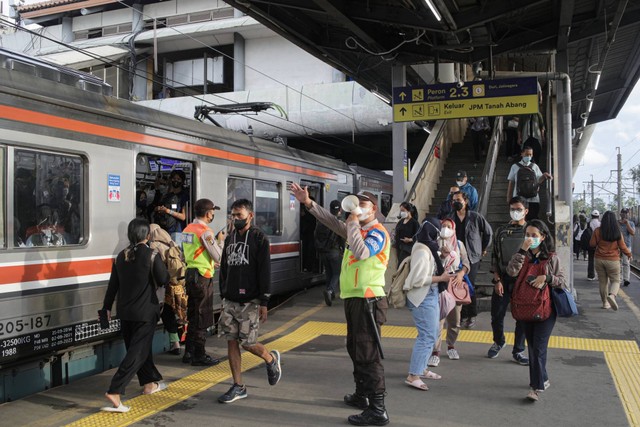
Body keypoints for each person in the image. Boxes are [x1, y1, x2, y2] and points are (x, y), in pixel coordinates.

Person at [290, 183, 390, 426]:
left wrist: (353, 222)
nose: (356, 209)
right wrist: (308, 203)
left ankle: (378, 409)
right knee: (354, 347)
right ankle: (362, 394)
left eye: (362, 204)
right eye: (354, 204)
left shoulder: (378, 233)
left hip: (369, 300)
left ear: (374, 209)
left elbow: (363, 252)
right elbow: (331, 222)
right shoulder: (355, 229)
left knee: (368, 353)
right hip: (354, 298)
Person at [101, 218, 170, 413]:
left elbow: (113, 286)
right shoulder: (152, 255)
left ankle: (149, 384)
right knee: (137, 353)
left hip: (125, 313)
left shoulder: (121, 256)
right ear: (147, 235)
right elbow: (164, 279)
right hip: (145, 312)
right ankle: (115, 390)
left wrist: (106, 307)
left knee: (141, 350)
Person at [217, 198, 282, 404]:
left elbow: (265, 271)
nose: (235, 219)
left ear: (250, 216)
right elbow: (224, 269)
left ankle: (270, 359)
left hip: (251, 301)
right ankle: (238, 386)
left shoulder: (259, 238)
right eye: (233, 215)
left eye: (239, 215)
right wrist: (223, 294)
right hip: (230, 299)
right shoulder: (229, 239)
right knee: (231, 341)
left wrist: (264, 301)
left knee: (248, 343)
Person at [506, 219, 566, 402]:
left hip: (546, 309)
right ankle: (543, 378)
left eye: (534, 235)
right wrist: (522, 251)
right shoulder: (521, 256)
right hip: (525, 307)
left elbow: (562, 281)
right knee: (533, 347)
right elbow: (511, 272)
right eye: (527, 235)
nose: (530, 238)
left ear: (543, 237)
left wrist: (547, 277)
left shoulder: (551, 258)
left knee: (538, 347)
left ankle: (535, 387)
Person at [403, 219, 451, 391]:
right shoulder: (423, 251)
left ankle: (421, 368)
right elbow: (417, 280)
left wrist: (443, 258)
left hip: (429, 295)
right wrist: (442, 279)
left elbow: (430, 269)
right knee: (427, 336)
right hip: (422, 297)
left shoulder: (426, 246)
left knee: (432, 333)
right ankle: (413, 375)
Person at [181, 198, 224, 366]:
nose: (213, 214)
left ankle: (189, 353)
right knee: (202, 316)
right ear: (208, 214)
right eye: (213, 212)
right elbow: (218, 256)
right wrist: (220, 240)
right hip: (202, 277)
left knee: (193, 315)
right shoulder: (205, 232)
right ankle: (199, 355)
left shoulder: (187, 229)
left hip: (190, 275)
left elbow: (186, 254)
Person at [487, 197, 529, 366]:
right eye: (512, 208)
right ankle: (499, 341)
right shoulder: (501, 231)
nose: (515, 212)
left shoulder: (532, 231)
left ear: (526, 211)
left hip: (524, 281)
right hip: (503, 279)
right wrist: (497, 279)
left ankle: (519, 350)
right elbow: (495, 256)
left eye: (518, 209)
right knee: (497, 314)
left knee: (522, 317)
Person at [448, 191, 492, 329]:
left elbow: (488, 233)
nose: (456, 202)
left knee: (469, 285)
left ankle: (471, 315)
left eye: (459, 199)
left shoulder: (475, 217)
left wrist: (483, 248)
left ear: (465, 201)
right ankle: (460, 316)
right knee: (457, 285)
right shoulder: (450, 218)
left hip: (472, 258)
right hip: (455, 257)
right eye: (454, 200)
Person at [431, 218, 470, 363]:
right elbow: (431, 264)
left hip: (454, 284)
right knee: (438, 319)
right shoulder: (434, 243)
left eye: (449, 226)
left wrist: (461, 274)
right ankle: (435, 351)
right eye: (443, 226)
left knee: (455, 319)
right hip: (439, 284)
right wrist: (442, 256)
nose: (445, 229)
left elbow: (466, 262)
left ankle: (451, 345)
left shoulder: (459, 244)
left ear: (453, 229)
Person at [148, 224, 184, 356]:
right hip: (175, 284)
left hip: (161, 287)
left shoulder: (154, 246)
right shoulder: (172, 243)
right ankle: (176, 344)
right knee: (171, 313)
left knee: (159, 314)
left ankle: (148, 346)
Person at [590, 211, 632, 310]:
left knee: (602, 282)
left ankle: (605, 303)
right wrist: (629, 254)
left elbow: (592, 244)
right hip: (613, 260)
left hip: (599, 259)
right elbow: (622, 246)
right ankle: (612, 295)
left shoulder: (597, 231)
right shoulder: (617, 232)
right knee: (616, 281)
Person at [506, 146, 553, 221]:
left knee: (532, 221)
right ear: (522, 154)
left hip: (533, 200)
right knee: (520, 221)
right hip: (519, 200)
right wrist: (509, 198)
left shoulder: (535, 166)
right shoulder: (514, 167)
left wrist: (544, 176)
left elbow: (538, 181)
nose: (529, 156)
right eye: (527, 154)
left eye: (531, 155)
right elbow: (511, 183)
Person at [315, 200, 345, 306]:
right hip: (334, 252)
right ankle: (330, 291)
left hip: (323, 252)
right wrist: (344, 250)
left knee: (328, 273)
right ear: (340, 210)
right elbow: (341, 238)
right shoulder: (338, 222)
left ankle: (329, 292)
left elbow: (316, 236)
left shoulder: (322, 221)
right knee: (337, 273)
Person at [155, 170, 189, 235]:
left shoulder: (184, 196)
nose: (176, 181)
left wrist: (168, 211)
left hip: (178, 231)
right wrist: (160, 209)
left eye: (178, 179)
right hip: (166, 229)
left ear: (182, 181)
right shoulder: (168, 196)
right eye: (174, 178)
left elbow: (183, 217)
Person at [394, 202, 420, 267]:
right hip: (399, 247)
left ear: (409, 211)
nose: (401, 212)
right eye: (401, 210)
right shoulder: (401, 221)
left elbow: (418, 236)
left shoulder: (414, 223)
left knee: (402, 266)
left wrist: (410, 240)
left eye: (403, 210)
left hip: (408, 249)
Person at [619, 208, 635, 287]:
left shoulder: (631, 223)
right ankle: (619, 279)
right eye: (623, 213)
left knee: (626, 263)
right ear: (620, 214)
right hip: (617, 246)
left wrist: (627, 223)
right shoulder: (617, 223)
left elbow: (632, 233)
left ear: (628, 214)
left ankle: (626, 279)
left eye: (626, 213)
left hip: (626, 246)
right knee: (617, 263)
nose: (625, 214)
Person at [587, 210, 601, 281]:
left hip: (591, 244)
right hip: (599, 244)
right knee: (600, 260)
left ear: (592, 216)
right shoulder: (601, 224)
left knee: (591, 259)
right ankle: (600, 275)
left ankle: (591, 275)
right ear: (598, 216)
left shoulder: (589, 223)